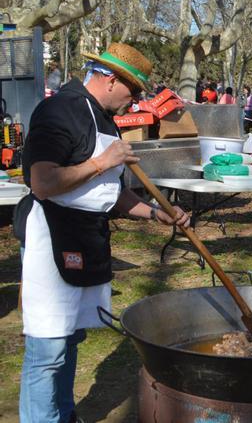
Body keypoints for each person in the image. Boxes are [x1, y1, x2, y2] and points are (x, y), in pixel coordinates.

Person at [16, 43, 190, 423]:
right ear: (111, 80)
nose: (135, 102)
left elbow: (108, 193)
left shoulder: (103, 117)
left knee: (71, 338)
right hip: (53, 236)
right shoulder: (59, 110)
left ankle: (62, 415)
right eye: (133, 93)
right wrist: (101, 162)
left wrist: (155, 213)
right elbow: (43, 181)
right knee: (48, 348)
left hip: (87, 237)